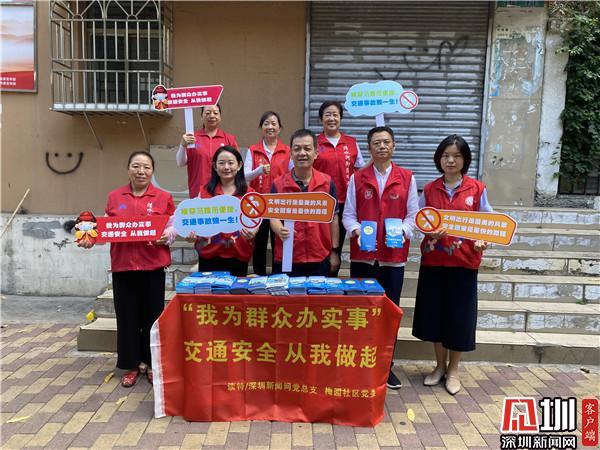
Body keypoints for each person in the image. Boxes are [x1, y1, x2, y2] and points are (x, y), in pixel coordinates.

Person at [78, 151, 176, 387]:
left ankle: (150, 363)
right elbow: (105, 228)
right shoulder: (115, 197)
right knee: (127, 317)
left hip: (153, 265)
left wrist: (168, 235)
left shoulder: (163, 197)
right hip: (123, 267)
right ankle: (131, 365)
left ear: (152, 171)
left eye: (146, 167)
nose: (141, 171)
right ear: (128, 169)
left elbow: (174, 226)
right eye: (136, 166)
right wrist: (90, 239)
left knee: (152, 317)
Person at [411, 134, 492, 395]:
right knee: (436, 316)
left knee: (459, 318)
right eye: (446, 155)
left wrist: (482, 240)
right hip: (434, 262)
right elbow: (418, 221)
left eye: (456, 156)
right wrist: (428, 232)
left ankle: (454, 370)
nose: (450, 160)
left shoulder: (477, 189)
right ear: (439, 159)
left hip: (464, 264)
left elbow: (488, 223)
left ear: (465, 160)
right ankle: (439, 366)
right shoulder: (430, 189)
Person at [342, 126, 418, 390]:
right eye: (376, 143)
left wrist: (402, 232)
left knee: (388, 313)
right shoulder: (358, 178)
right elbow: (348, 214)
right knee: (361, 313)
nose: (382, 147)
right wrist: (356, 231)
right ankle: (360, 366)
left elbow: (413, 216)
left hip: (392, 259)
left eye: (386, 142)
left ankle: (386, 366)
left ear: (393, 146)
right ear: (369, 148)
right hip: (363, 258)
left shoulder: (406, 178)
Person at [270, 129, 340, 277]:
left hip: (319, 256)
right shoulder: (278, 184)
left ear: (316, 153)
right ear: (291, 154)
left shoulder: (327, 182)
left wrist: (334, 251)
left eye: (307, 148)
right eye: (297, 149)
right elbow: (272, 216)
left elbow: (334, 218)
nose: (302, 153)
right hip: (288, 257)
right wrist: (279, 229)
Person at [184, 146, 256, 276]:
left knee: (235, 288)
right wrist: (190, 232)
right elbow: (195, 219)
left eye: (231, 163)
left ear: (239, 165)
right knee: (208, 289)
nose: (226, 167)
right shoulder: (204, 192)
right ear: (215, 166)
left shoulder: (249, 194)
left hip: (238, 253)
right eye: (221, 163)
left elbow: (255, 220)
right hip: (209, 254)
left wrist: (253, 231)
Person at [314, 101, 365, 273]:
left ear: (340, 118)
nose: (332, 118)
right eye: (327, 114)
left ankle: (332, 280)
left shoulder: (351, 143)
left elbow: (361, 171)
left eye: (335, 115)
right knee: (320, 242)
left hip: (345, 202)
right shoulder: (314, 143)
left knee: (337, 245)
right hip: (319, 203)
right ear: (321, 119)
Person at [244, 111, 292, 275]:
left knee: (280, 242)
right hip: (259, 205)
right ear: (261, 127)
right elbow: (244, 176)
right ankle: (259, 277)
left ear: (279, 128)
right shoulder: (253, 150)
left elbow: (293, 175)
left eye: (273, 123)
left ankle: (280, 277)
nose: (270, 127)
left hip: (280, 205)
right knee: (259, 244)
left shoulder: (287, 151)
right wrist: (258, 170)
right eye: (266, 123)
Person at [177, 103, 239, 198]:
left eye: (215, 113)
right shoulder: (192, 138)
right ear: (201, 117)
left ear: (220, 117)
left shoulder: (229, 139)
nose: (212, 116)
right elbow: (180, 163)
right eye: (208, 113)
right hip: (198, 193)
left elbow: (237, 167)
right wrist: (182, 145)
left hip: (224, 194)